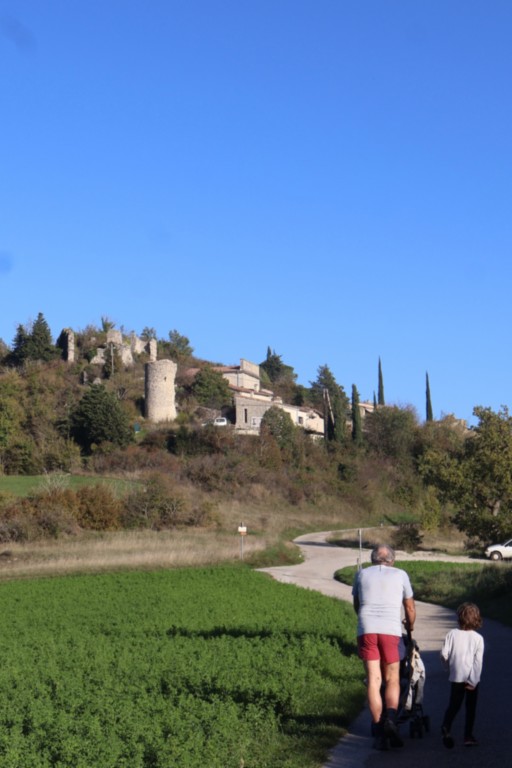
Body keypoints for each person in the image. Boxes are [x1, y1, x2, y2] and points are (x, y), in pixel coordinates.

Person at [352, 543, 416, 750]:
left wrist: (365, 620)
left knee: (373, 679)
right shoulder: (401, 574)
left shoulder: (361, 575)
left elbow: (357, 604)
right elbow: (409, 607)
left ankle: (379, 726)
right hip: (391, 630)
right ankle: (390, 718)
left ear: (372, 560)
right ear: (392, 560)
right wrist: (410, 624)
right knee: (392, 678)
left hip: (367, 628)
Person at [440, 602, 484, 749]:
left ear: (459, 618)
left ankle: (446, 727)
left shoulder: (451, 634)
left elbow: (444, 654)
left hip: (456, 677)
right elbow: (477, 663)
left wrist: (449, 668)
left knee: (454, 705)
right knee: (470, 708)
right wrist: (473, 681)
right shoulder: (478, 638)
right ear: (476, 619)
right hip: (471, 679)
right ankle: (468, 736)